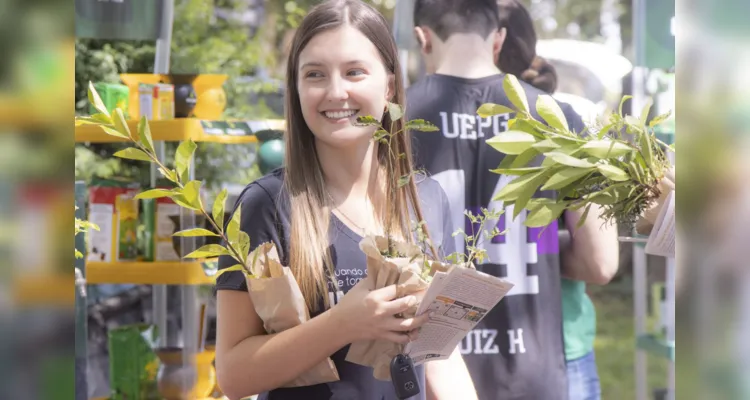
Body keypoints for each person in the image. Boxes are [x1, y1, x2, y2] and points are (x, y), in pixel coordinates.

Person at [213, 1, 476, 399]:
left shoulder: (426, 199)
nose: (336, 92)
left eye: (354, 72)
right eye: (315, 74)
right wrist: (344, 323)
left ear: (389, 86)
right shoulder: (266, 206)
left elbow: (439, 357)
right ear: (296, 88)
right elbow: (232, 375)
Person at [406, 0, 619, 399]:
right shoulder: (560, 119)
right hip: (534, 371)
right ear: (497, 38)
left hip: (433, 371)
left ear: (423, 37)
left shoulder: (395, 120)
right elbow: (601, 262)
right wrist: (541, 247)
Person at [493, 1, 615, 399]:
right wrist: (540, 243)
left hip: (468, 351)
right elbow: (599, 261)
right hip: (559, 344)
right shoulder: (566, 128)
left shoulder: (441, 125)